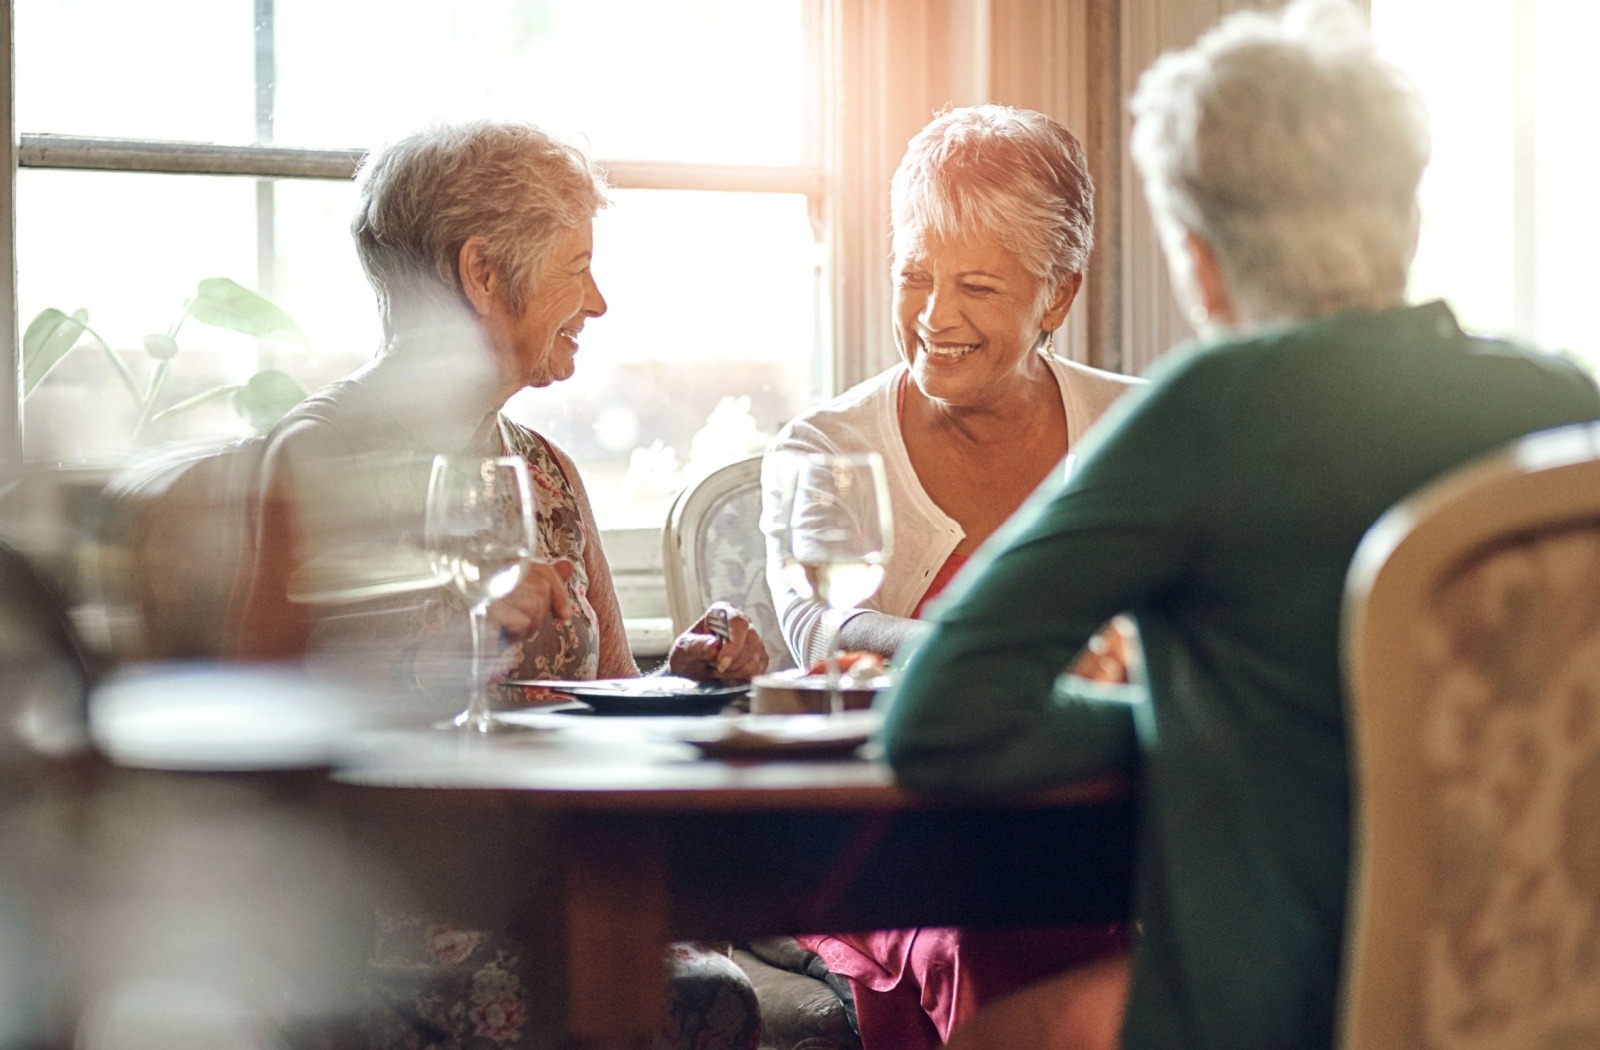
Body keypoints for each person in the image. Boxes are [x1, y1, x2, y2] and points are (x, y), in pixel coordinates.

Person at [881, 4, 1600, 1049]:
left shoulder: (1207, 409)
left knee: (996, 1033)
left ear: (1199, 257)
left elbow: (938, 718)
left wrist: (1186, 728)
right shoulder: (1563, 401)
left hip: (1271, 1017)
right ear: (1407, 215)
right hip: (1545, 1004)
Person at [244, 121, 768, 1049]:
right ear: (483, 273)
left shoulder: (547, 475)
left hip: (552, 883)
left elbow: (609, 696)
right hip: (379, 915)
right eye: (577, 267)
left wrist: (686, 680)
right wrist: (458, 648)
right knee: (701, 997)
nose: (599, 301)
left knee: (713, 988)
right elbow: (258, 740)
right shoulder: (316, 461)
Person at [760, 105, 1139, 1049]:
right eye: (915, 275)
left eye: (975, 284)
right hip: (887, 844)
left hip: (1090, 828)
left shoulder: (1138, 430)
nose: (935, 316)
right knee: (983, 938)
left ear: (1056, 296)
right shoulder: (828, 447)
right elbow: (820, 632)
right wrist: (1009, 655)